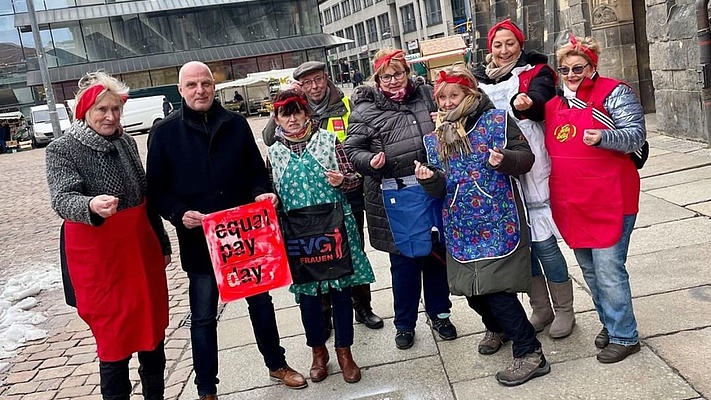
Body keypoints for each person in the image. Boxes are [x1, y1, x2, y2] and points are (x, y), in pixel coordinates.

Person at [146, 61, 307, 399]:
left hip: (243, 237)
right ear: (180, 90)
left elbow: (255, 170)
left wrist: (261, 191)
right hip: (199, 240)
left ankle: (276, 363)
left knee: (260, 303)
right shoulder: (164, 132)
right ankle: (206, 388)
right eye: (192, 85)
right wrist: (178, 213)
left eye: (205, 83)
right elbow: (157, 190)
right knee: (203, 317)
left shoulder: (235, 124)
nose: (200, 90)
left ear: (214, 86)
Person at [415, 64, 549, 386]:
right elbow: (440, 184)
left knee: (495, 291)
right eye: (442, 97)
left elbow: (525, 157)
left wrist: (505, 159)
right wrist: (429, 179)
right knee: (471, 292)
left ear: (470, 93)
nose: (447, 102)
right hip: (460, 225)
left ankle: (530, 352)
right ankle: (499, 328)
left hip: (498, 220)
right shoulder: (436, 137)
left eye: (454, 95)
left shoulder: (498, 121)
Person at [46, 71, 171, 400]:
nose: (111, 116)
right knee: (114, 341)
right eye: (102, 109)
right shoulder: (64, 149)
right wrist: (90, 204)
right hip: (102, 260)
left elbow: (146, 197)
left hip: (140, 251)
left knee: (152, 334)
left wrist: (162, 241)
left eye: (116, 109)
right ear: (85, 111)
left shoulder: (126, 140)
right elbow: (62, 198)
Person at [344, 49, 457, 350]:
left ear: (408, 72)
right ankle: (404, 323)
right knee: (405, 264)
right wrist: (370, 161)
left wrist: (445, 120)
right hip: (394, 196)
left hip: (431, 188)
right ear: (377, 79)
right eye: (386, 76)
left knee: (435, 258)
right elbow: (352, 150)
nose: (394, 81)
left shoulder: (428, 95)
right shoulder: (364, 111)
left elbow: (462, 108)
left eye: (398, 74)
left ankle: (440, 313)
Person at [262, 61, 384, 336]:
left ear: (326, 79)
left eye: (318, 80)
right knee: (314, 262)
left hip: (342, 198)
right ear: (301, 87)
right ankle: (325, 316)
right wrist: (282, 102)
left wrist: (348, 178)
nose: (314, 86)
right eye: (307, 83)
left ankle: (362, 307)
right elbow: (270, 139)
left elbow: (359, 144)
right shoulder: (288, 120)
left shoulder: (345, 105)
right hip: (304, 212)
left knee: (350, 254)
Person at [545, 36, 645, 363]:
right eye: (564, 69)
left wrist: (605, 136)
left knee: (609, 270)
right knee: (590, 271)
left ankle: (625, 335)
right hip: (573, 202)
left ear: (592, 65)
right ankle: (611, 321)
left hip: (610, 198)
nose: (571, 74)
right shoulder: (554, 105)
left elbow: (636, 135)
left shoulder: (615, 92)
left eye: (578, 68)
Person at [473, 19, 574, 340]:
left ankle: (565, 310)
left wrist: (528, 104)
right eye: (498, 45)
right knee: (521, 247)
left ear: (520, 44)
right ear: (490, 48)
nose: (504, 51)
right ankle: (540, 308)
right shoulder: (479, 80)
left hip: (532, 164)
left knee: (544, 244)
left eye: (510, 44)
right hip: (496, 169)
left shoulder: (537, 71)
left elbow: (543, 98)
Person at [266, 89, 375, 384]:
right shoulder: (274, 153)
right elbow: (271, 195)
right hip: (300, 235)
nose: (292, 119)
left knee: (341, 291)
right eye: (285, 114)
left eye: (297, 112)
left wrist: (344, 180)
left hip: (333, 228)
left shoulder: (328, 141)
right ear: (276, 118)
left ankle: (344, 352)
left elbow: (354, 178)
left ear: (306, 113)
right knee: (308, 298)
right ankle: (318, 352)